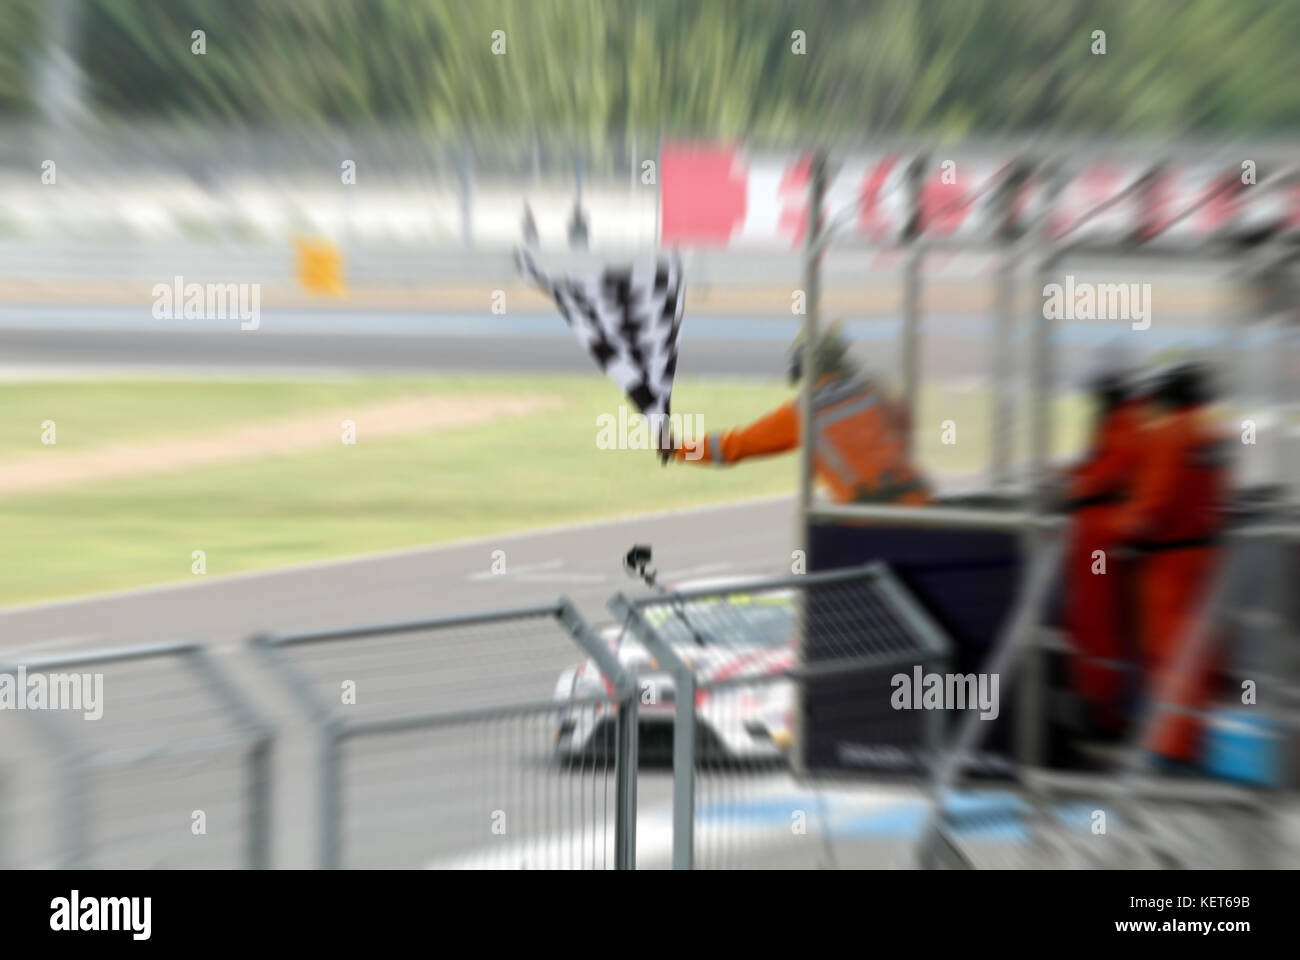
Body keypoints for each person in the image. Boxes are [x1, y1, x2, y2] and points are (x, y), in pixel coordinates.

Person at [1105, 361, 1228, 765]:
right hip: (1206, 556)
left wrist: (1115, 530)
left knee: (1167, 653)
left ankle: (1172, 750)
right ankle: (1198, 741)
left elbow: (1152, 507)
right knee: (1200, 652)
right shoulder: (1213, 434)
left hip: (1169, 563)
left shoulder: (1168, 435)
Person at [668, 322, 930, 506]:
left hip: (870, 518)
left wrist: (677, 449)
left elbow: (732, 447)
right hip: (919, 501)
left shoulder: (806, 411)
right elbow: (905, 426)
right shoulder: (873, 388)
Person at [1061, 347, 1145, 737]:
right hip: (1093, 531)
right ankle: (1096, 704)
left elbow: (1115, 468)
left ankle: (1104, 713)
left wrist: (1075, 484)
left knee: (1099, 622)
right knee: (1089, 622)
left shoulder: (1127, 420)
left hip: (1100, 536)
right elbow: (1100, 464)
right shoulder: (1116, 420)